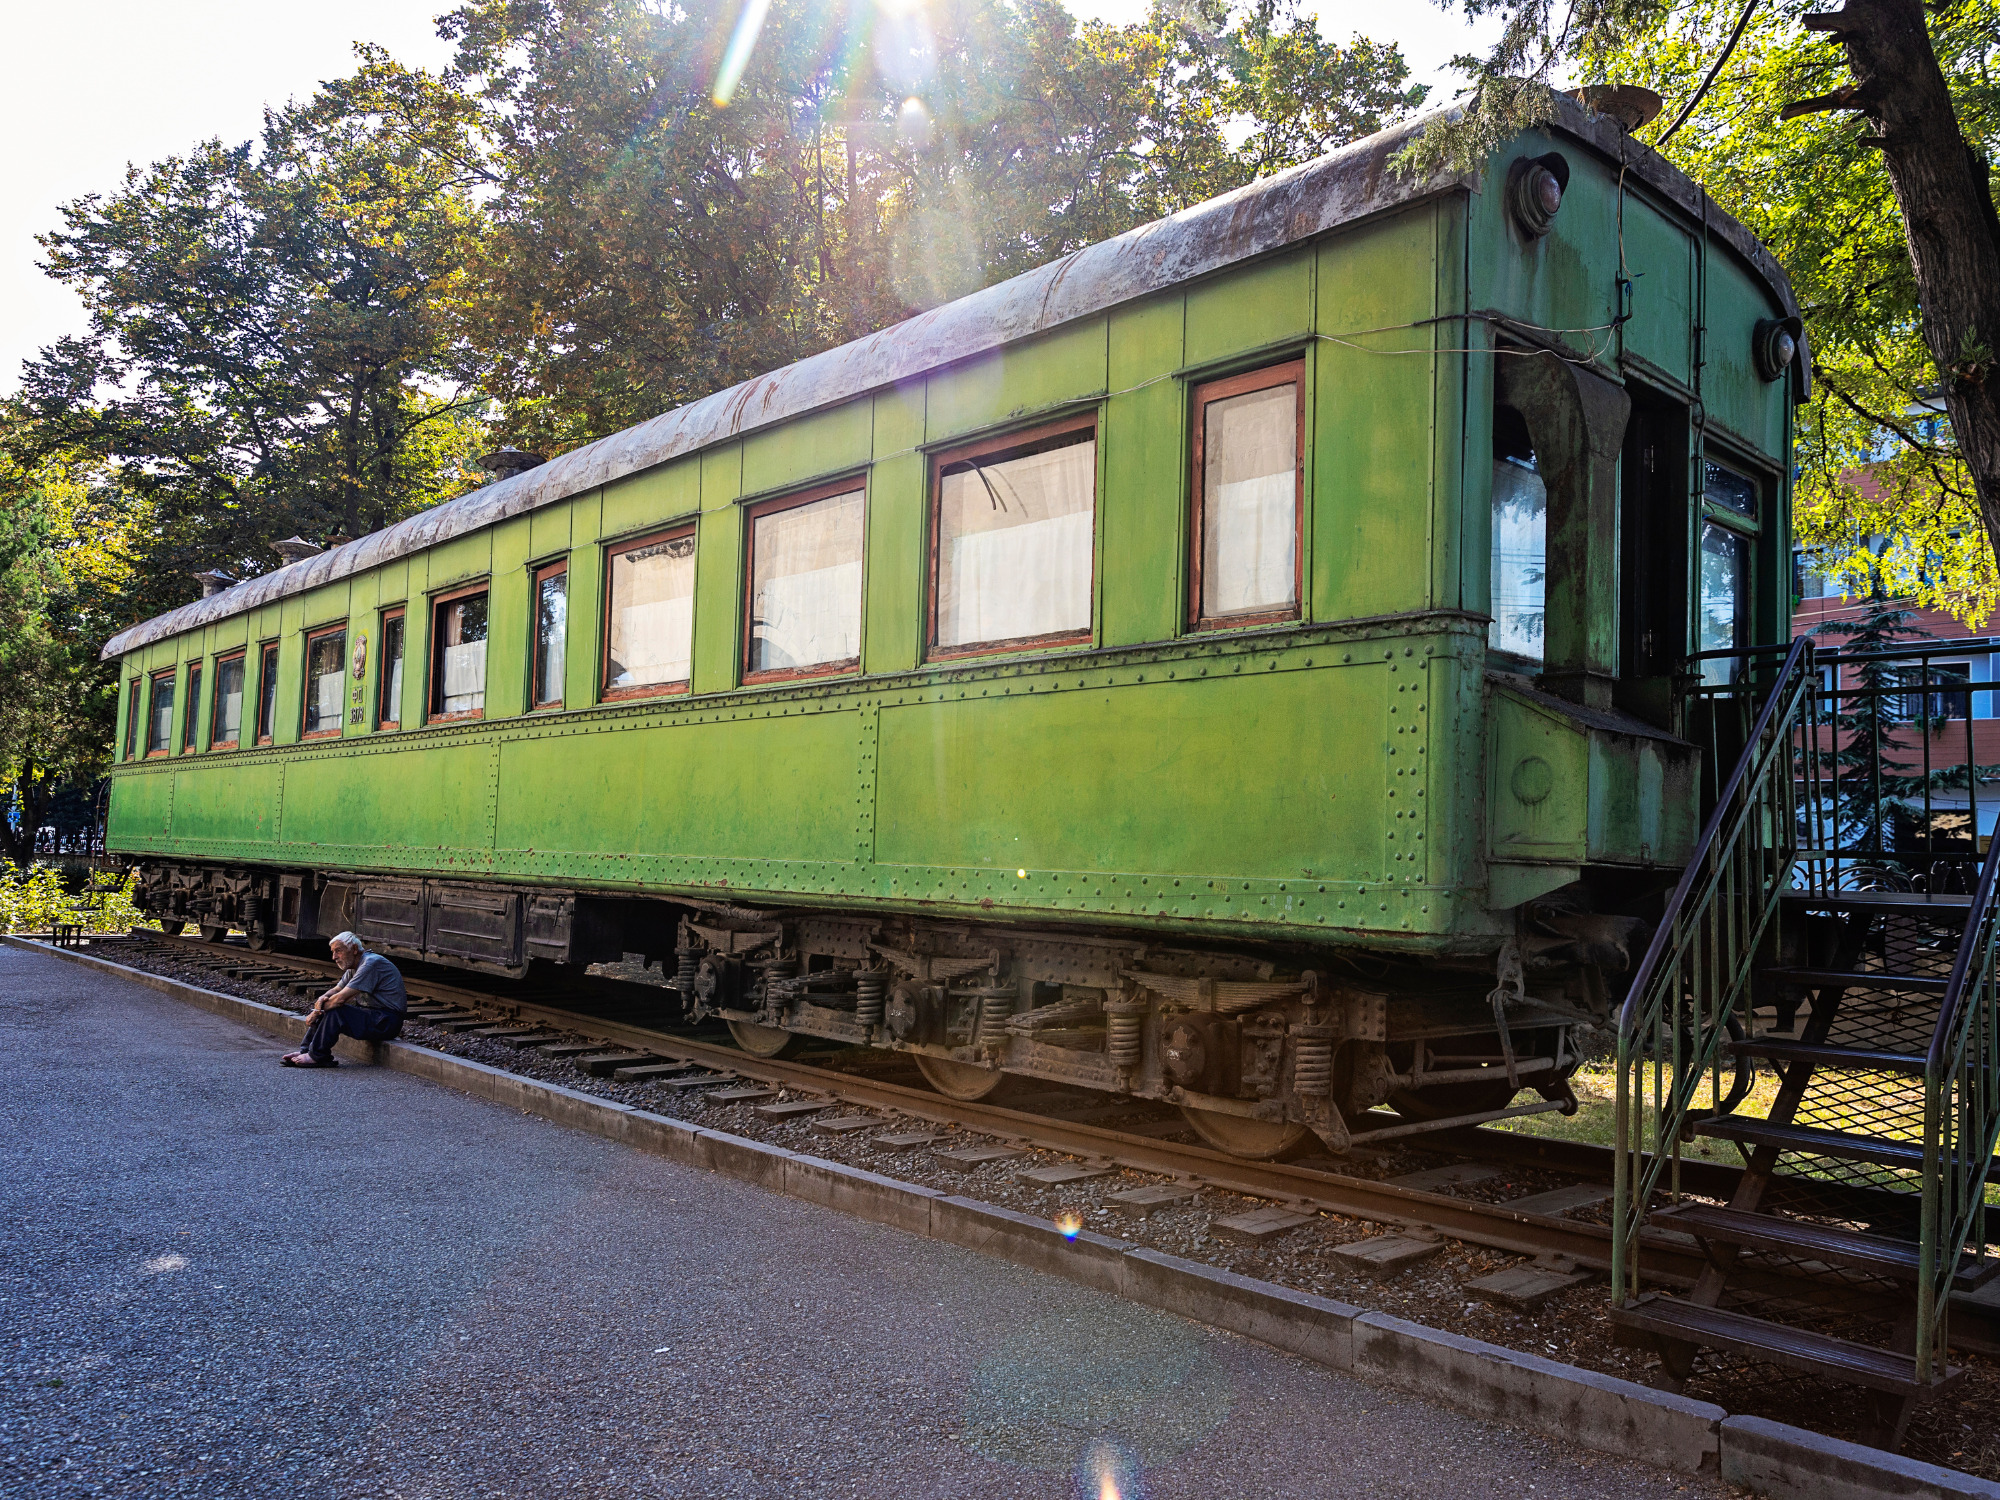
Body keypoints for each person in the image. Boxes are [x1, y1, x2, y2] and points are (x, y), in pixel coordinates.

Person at [281, 932, 408, 1068]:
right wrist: (321, 1000)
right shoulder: (354, 966)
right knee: (329, 1007)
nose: (334, 957)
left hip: (386, 1022)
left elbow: (340, 999)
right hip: (374, 1017)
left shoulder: (371, 963)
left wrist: (317, 1010)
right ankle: (306, 1051)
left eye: (338, 951)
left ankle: (317, 1056)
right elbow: (336, 990)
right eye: (333, 952)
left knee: (336, 1011)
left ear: (354, 949)